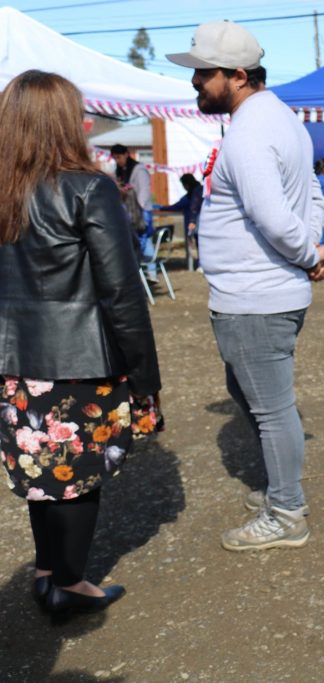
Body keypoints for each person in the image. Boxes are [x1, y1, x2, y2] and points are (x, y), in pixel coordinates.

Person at [167, 20, 324, 551]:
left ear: (238, 76)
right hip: (263, 292)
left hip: (255, 298)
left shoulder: (248, 132)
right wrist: (310, 251)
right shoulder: (282, 120)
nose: (195, 82)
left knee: (271, 408)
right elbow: (311, 194)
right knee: (254, 397)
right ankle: (281, 490)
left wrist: (307, 254)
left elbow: (273, 217)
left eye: (204, 73)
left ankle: (286, 511)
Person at [0, 71, 162, 616]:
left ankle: (48, 571)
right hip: (77, 363)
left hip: (12, 363)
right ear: (65, 122)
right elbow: (122, 292)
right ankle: (69, 585)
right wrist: (145, 376)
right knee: (75, 475)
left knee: (40, 467)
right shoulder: (88, 188)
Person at [111, 142, 155, 279]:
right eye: (115, 158)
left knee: (142, 238)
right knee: (144, 239)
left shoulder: (139, 170)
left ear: (126, 154)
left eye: (119, 157)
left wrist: (139, 208)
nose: (117, 160)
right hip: (129, 211)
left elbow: (144, 190)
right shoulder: (119, 171)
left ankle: (146, 271)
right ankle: (149, 272)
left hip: (141, 211)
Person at [155, 173, 204, 267]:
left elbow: (177, 206)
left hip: (195, 223)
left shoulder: (191, 195)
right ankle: (201, 263)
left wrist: (161, 208)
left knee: (199, 244)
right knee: (202, 244)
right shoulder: (200, 190)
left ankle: (200, 264)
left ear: (187, 185)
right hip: (203, 223)